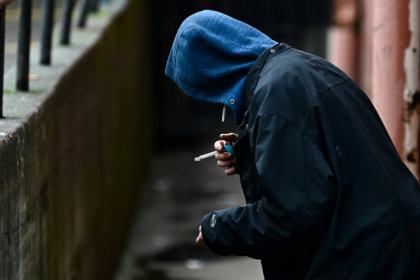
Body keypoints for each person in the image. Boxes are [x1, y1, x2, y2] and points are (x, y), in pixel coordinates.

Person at [165, 10, 420, 280]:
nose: (219, 101)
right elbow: (320, 158)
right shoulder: (297, 67)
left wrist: (219, 227)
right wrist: (250, 152)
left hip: (371, 258)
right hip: (388, 239)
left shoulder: (276, 96)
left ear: (216, 72)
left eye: (210, 91)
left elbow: (290, 219)